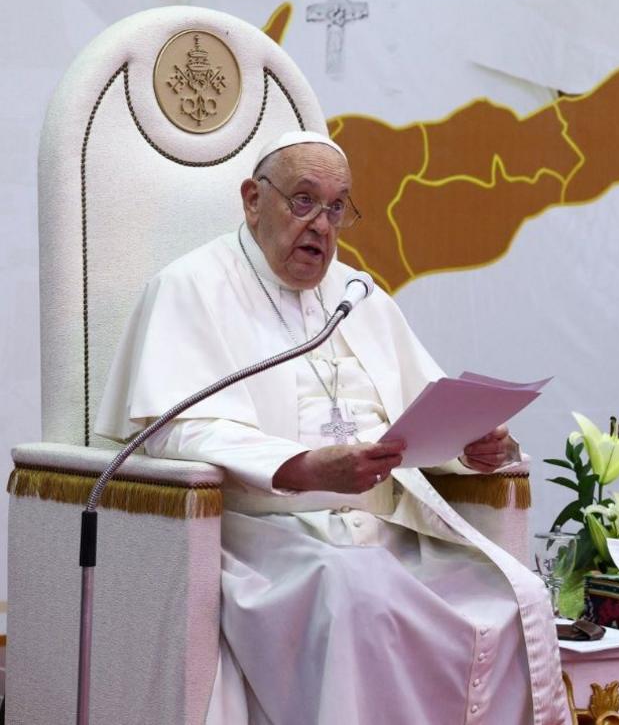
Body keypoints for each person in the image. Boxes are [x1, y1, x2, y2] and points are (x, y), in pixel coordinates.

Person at [95, 131, 567, 725]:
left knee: (513, 596)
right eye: (303, 200)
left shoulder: (356, 293)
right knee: (357, 592)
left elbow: (423, 408)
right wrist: (303, 466)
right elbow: (173, 429)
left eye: (337, 207)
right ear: (251, 199)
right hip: (263, 536)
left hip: (385, 526)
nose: (322, 225)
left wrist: (473, 445)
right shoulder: (190, 287)